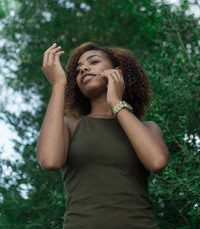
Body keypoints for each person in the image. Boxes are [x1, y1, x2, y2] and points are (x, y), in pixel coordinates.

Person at [36, 42, 170, 229]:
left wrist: (115, 101)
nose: (83, 68)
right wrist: (59, 84)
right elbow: (50, 161)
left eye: (94, 61)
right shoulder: (69, 125)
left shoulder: (148, 128)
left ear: (118, 72)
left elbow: (157, 162)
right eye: (78, 69)